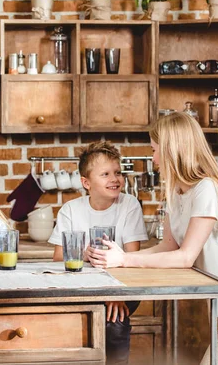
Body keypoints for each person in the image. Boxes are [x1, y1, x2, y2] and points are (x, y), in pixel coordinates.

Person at [87, 113, 218, 365]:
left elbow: (185, 257)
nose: (153, 159)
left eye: (155, 150)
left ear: (173, 150)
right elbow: (168, 246)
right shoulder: (176, 191)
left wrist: (125, 260)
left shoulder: (207, 188)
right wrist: (117, 256)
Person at [47, 141, 148, 365]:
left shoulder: (129, 205)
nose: (115, 179)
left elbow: (131, 260)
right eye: (105, 174)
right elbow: (57, 258)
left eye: (117, 173)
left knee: (115, 320)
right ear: (86, 182)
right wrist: (85, 255)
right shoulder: (71, 210)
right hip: (82, 286)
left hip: (123, 284)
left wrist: (115, 295)